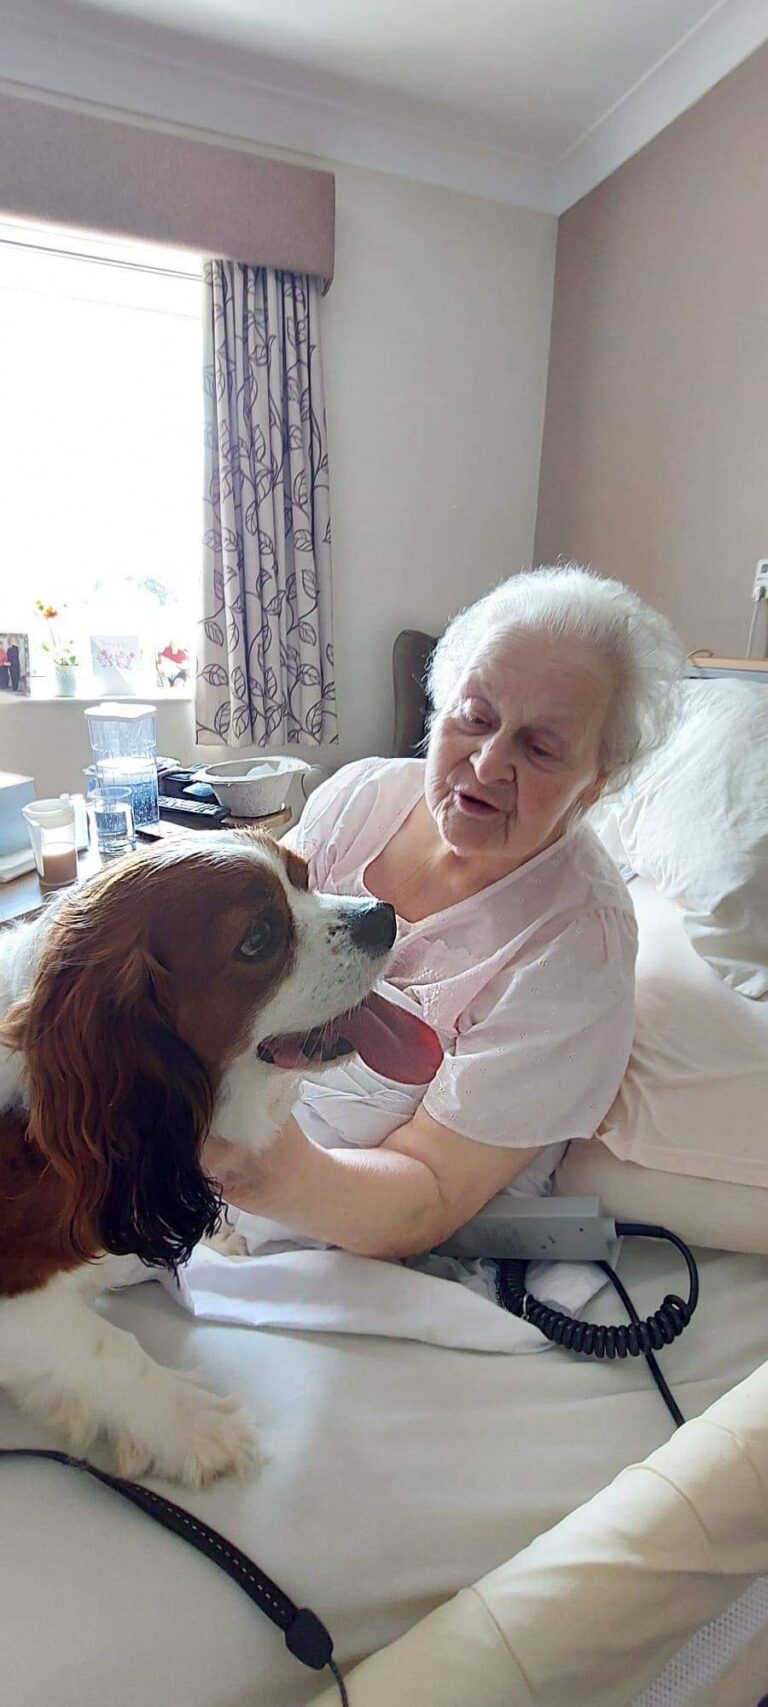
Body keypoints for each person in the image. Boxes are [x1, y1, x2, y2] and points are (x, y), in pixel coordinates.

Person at [205, 566, 684, 1274]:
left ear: (596, 781)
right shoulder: (359, 796)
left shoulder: (577, 944)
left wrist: (244, 1171)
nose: (488, 765)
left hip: (350, 1229)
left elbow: (428, 1191)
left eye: (541, 748)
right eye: (476, 717)